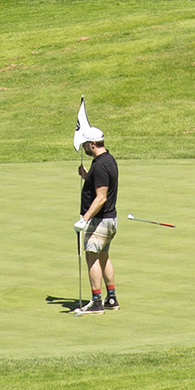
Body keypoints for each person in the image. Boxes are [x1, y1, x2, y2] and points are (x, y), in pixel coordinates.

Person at [73, 122, 121, 313]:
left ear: (93, 143)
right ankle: (111, 298)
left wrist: (84, 219)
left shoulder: (100, 165)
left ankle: (96, 302)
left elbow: (101, 197)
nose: (84, 147)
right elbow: (101, 186)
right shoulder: (108, 160)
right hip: (110, 219)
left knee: (92, 257)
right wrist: (87, 177)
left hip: (100, 220)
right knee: (103, 256)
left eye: (85, 144)